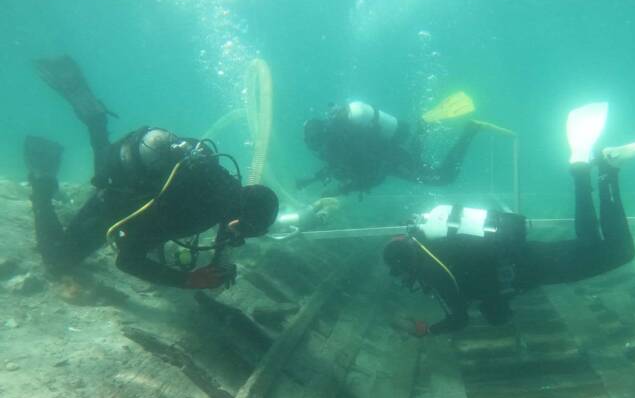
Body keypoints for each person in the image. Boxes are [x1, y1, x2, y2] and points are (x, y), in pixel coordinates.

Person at [384, 102, 635, 336]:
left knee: (621, 252)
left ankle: (606, 170)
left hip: (538, 268)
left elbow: (459, 319)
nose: (405, 280)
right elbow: (486, 291)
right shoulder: (434, 245)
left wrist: (423, 330)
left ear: (407, 265)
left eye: (401, 274)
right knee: (589, 242)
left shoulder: (433, 271)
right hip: (530, 256)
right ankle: (587, 171)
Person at [25, 55, 279, 289]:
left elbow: (229, 220)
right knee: (58, 259)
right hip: (117, 194)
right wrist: (187, 280)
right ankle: (41, 182)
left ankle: (95, 118)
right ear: (240, 222)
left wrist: (222, 255)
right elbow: (127, 260)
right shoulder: (197, 215)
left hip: (135, 162)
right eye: (247, 232)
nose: (240, 238)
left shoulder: (228, 187)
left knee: (103, 165)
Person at [297, 99, 481, 196]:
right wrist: (312, 179)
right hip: (391, 153)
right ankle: (422, 127)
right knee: (415, 157)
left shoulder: (339, 145)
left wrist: (342, 190)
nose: (316, 150)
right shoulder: (337, 140)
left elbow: (375, 175)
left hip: (392, 159)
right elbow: (337, 166)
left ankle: (470, 131)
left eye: (314, 143)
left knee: (443, 178)